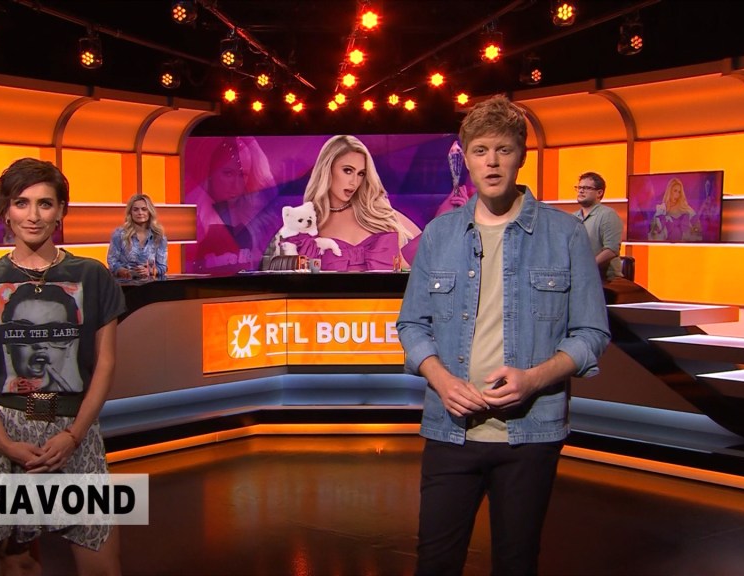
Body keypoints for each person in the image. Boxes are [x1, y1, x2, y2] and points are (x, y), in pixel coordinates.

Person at [396, 95, 610, 575]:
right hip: (450, 431)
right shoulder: (439, 234)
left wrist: (533, 379)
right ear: (467, 158)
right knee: (435, 563)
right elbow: (411, 324)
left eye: (503, 149)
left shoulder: (565, 235)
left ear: (521, 156)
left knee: (517, 563)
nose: (491, 162)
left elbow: (591, 332)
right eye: (480, 150)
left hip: (530, 435)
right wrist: (442, 380)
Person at [0, 158, 124, 576]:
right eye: (22, 203)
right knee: (19, 564)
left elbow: (105, 363)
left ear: (61, 211)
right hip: (3, 430)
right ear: (6, 211)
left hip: (73, 429)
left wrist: (74, 435)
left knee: (101, 562)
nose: (33, 215)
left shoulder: (92, 276)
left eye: (45, 204)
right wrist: (5, 443)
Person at [279, 135, 418, 271]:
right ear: (327, 169)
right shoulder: (305, 223)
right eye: (348, 170)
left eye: (361, 173)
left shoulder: (378, 212)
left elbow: (421, 250)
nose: (354, 182)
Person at [185, 136, 282, 274]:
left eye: (242, 175)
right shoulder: (192, 219)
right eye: (228, 174)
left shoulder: (251, 217)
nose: (236, 185)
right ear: (210, 172)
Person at [573, 171, 624, 282]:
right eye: (579, 187)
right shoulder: (573, 217)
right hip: (577, 278)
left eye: (586, 188)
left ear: (599, 193)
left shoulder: (608, 215)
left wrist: (586, 267)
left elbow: (611, 250)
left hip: (605, 281)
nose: (581, 191)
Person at [107, 193, 168, 282]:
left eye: (144, 209)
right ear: (130, 213)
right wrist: (126, 272)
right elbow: (112, 262)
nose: (140, 213)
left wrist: (150, 271)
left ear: (150, 212)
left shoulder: (159, 236)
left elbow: (162, 266)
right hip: (125, 284)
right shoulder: (119, 234)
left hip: (150, 284)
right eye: (135, 210)